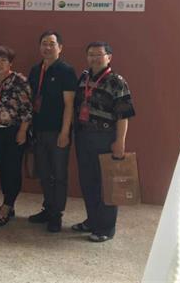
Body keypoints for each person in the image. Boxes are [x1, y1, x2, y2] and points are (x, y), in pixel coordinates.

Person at [72, 41, 135, 242]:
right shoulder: (84, 77)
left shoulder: (117, 81)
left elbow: (124, 115)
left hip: (105, 138)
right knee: (88, 182)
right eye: (91, 54)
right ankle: (92, 220)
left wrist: (120, 142)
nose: (95, 58)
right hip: (84, 137)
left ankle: (106, 228)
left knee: (107, 184)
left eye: (99, 54)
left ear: (109, 57)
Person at [27, 30, 78, 232]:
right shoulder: (35, 70)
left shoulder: (66, 71)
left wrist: (65, 132)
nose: (47, 47)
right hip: (38, 130)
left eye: (52, 44)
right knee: (44, 173)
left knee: (59, 175)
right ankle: (48, 208)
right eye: (44, 43)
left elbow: (69, 105)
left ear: (60, 47)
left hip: (57, 131)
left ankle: (57, 215)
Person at [0, 46, 32, 226]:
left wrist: (22, 131)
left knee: (12, 169)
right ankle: (8, 203)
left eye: (4, 60)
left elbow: (27, 108)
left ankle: (7, 206)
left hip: (14, 131)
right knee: (3, 168)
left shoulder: (19, 80)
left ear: (10, 63)